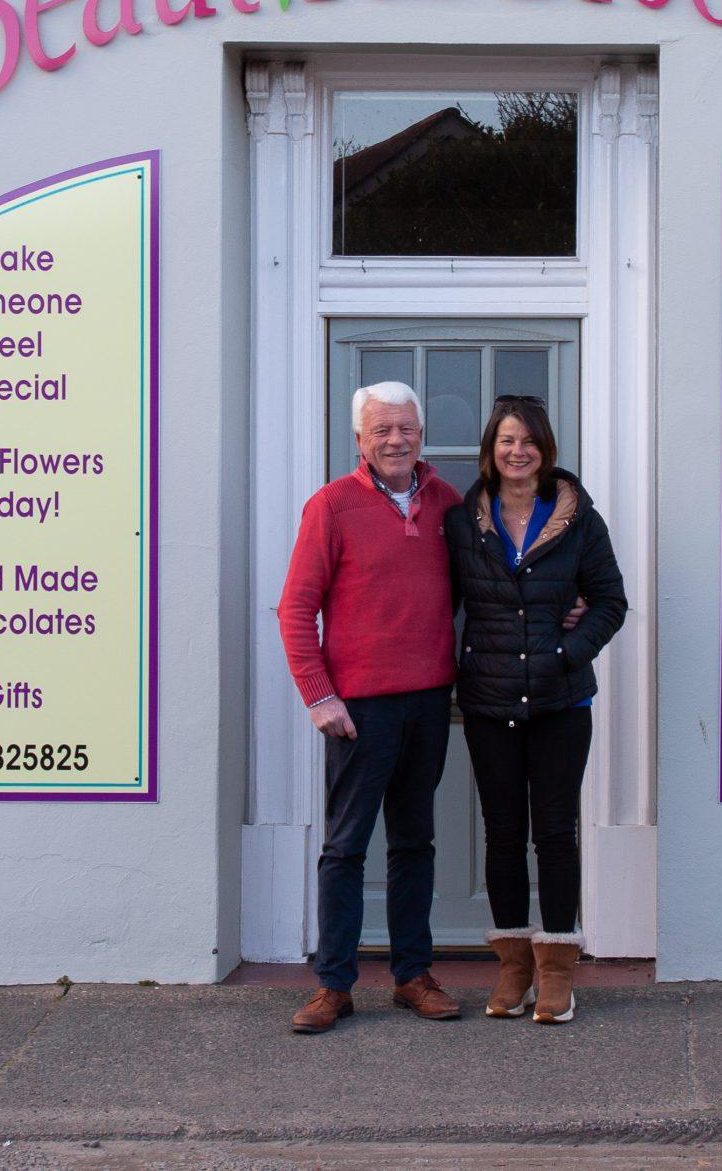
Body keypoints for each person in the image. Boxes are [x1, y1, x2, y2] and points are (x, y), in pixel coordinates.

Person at [275, 381, 465, 1034]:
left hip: (430, 701)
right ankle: (334, 984)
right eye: (382, 429)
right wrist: (319, 695)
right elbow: (297, 607)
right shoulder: (330, 506)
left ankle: (413, 974)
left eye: (406, 427)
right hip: (359, 709)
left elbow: (491, 589)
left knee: (415, 840)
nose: (395, 440)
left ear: (421, 432)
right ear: (360, 438)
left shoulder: (448, 503)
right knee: (346, 846)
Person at [444, 393, 629, 1025]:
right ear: (490, 451)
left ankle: (556, 973)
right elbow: (437, 601)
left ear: (545, 450)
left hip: (560, 703)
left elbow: (609, 601)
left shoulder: (580, 522)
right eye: (506, 441)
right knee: (501, 835)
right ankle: (514, 968)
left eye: (528, 441)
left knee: (553, 834)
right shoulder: (463, 521)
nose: (517, 451)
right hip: (491, 704)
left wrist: (566, 652)